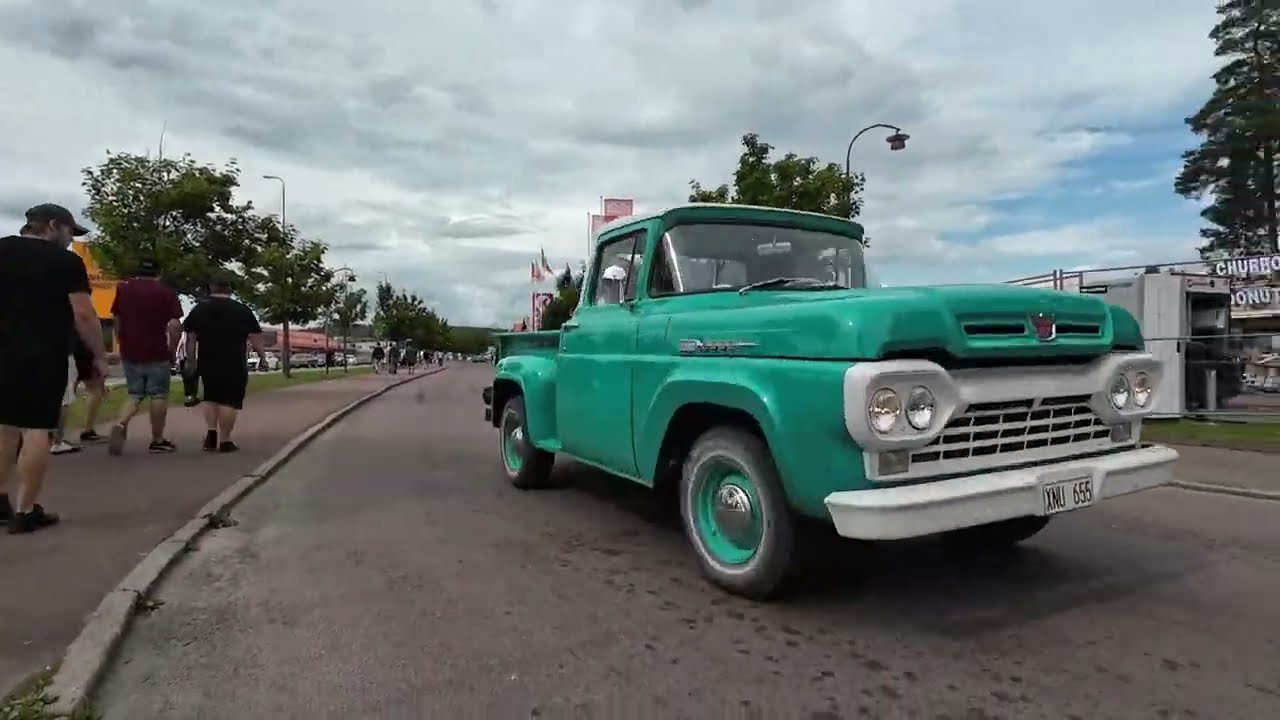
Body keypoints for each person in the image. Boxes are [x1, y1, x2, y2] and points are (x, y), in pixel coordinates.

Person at [0, 204, 106, 534]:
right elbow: (83, 314)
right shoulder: (65, 262)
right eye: (70, 233)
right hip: (43, 354)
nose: (71, 241)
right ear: (53, 225)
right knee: (36, 428)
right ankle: (25, 510)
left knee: (3, 426)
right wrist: (99, 355)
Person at [106, 258, 183, 455]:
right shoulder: (166, 292)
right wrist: (173, 350)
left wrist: (120, 339)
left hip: (130, 349)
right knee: (158, 394)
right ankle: (157, 440)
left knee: (135, 393)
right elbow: (174, 325)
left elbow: (116, 317)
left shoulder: (124, 289)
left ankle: (121, 423)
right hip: (157, 349)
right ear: (159, 273)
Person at [181, 277, 267, 453]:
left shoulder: (200, 309)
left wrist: (191, 361)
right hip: (234, 361)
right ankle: (225, 440)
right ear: (230, 290)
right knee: (230, 400)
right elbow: (255, 337)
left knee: (211, 397)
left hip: (207, 359)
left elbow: (190, 338)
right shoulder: (242, 310)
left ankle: (211, 433)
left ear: (212, 288)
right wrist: (262, 357)